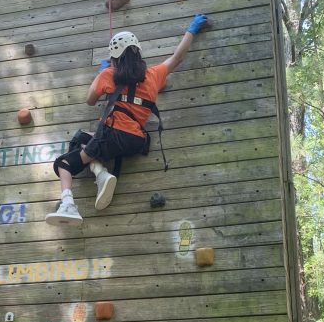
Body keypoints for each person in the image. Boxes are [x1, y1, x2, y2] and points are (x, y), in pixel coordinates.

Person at [45, 15, 208, 225]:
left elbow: (90, 100)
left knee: (64, 163)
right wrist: (191, 30)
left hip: (112, 136)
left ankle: (69, 204)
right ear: (138, 52)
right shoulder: (153, 75)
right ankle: (101, 173)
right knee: (84, 139)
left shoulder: (108, 75)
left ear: (114, 57)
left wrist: (101, 74)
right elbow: (177, 58)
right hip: (137, 140)